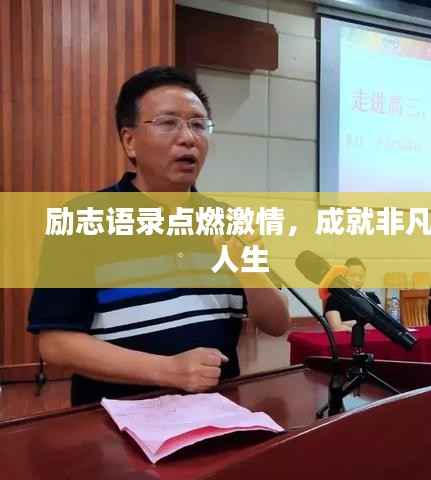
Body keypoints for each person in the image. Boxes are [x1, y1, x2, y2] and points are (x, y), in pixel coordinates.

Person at [28, 66, 290, 406]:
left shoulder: (226, 220)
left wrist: (249, 271)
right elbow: (55, 343)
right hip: (116, 420)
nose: (188, 138)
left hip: (218, 412)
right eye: (168, 123)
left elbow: (276, 324)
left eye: (199, 125)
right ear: (130, 141)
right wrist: (168, 371)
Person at [323, 257, 381, 332]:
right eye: (352, 275)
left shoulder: (372, 297)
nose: (357, 279)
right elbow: (336, 327)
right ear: (343, 276)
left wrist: (348, 323)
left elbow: (382, 324)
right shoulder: (334, 298)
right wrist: (362, 326)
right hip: (346, 338)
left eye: (361, 276)